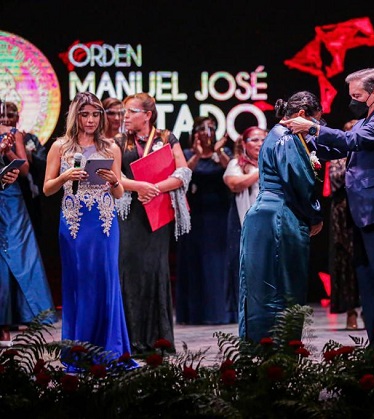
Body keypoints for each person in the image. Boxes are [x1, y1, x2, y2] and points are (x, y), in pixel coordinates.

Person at [282, 68, 374, 353]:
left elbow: (351, 141)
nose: (351, 101)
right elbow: (339, 148)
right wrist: (305, 141)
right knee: (368, 284)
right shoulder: (369, 119)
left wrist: (313, 128)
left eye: (357, 96)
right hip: (363, 213)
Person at [42, 92, 133, 367]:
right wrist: (64, 176)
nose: (91, 120)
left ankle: (110, 349)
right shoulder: (60, 147)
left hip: (104, 223)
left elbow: (117, 194)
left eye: (95, 114)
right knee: (79, 285)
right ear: (75, 116)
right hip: (74, 223)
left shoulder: (111, 148)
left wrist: (114, 180)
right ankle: (79, 350)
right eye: (85, 114)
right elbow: (47, 189)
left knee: (106, 283)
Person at [238, 91, 324, 343]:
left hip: (265, 214)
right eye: (314, 122)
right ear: (301, 116)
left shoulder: (276, 136)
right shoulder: (287, 138)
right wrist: (315, 214)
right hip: (280, 215)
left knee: (261, 284)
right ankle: (278, 348)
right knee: (282, 283)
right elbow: (299, 182)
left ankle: (259, 346)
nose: (315, 128)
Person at [116, 92, 191, 355]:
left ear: (147, 115)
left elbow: (182, 173)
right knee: (129, 271)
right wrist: (137, 188)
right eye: (124, 112)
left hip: (156, 210)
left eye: (130, 112)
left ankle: (158, 340)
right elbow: (113, 178)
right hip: (128, 214)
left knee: (155, 271)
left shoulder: (165, 138)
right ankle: (130, 340)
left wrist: (154, 188)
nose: (124, 117)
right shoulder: (117, 141)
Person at [1, 123, 55, 347]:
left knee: (21, 254)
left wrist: (7, 152)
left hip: (10, 198)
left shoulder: (11, 133)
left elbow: (24, 170)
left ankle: (25, 315)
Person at [176, 115, 234, 325]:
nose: (206, 132)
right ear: (194, 132)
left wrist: (218, 151)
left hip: (219, 213)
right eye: (202, 128)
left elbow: (231, 172)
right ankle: (195, 313)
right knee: (196, 262)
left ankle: (222, 312)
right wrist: (198, 157)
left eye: (211, 128)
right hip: (195, 215)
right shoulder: (188, 154)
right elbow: (182, 177)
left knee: (218, 263)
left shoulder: (224, 153)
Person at [223, 125, 265, 324]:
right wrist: (262, 170)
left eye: (263, 139)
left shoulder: (276, 161)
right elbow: (234, 184)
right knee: (244, 268)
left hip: (269, 223)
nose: (259, 144)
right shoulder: (236, 163)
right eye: (254, 140)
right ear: (244, 144)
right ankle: (246, 315)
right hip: (244, 222)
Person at [328, 119, 361, 330]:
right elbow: (336, 180)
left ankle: (371, 309)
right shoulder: (339, 156)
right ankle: (351, 312)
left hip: (366, 209)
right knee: (347, 262)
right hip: (343, 212)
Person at [0, 101, 47, 240]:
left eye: (10, 115)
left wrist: (9, 151)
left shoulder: (27, 138)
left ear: (18, 117)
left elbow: (35, 166)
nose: (6, 119)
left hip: (23, 192)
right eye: (2, 115)